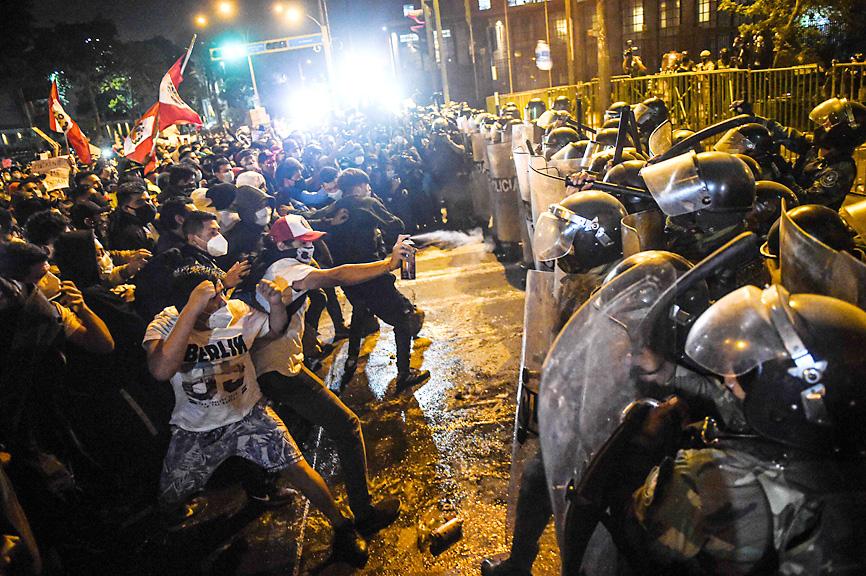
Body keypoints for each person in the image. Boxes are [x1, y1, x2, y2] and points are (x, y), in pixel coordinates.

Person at [143, 265, 369, 565]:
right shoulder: (166, 323)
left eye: (222, 293)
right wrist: (192, 309)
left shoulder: (236, 312)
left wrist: (276, 304)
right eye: (214, 297)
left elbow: (275, 329)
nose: (223, 302)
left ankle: (343, 527)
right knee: (170, 493)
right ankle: (165, 533)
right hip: (196, 430)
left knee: (298, 468)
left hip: (249, 415)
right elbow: (161, 369)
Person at [242, 214, 412, 537]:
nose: (308, 247)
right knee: (346, 426)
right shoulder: (287, 269)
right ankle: (363, 516)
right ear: (281, 245)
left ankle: (264, 483)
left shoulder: (277, 267)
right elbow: (338, 276)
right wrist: (388, 264)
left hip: (280, 365)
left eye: (310, 241)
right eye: (300, 243)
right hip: (278, 371)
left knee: (289, 434)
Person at [316, 168, 429, 390]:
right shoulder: (367, 203)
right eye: (366, 185)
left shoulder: (335, 208)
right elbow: (397, 226)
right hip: (372, 275)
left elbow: (310, 218)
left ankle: (351, 358)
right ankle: (404, 374)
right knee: (403, 317)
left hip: (348, 279)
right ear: (359, 186)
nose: (369, 189)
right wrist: (376, 204)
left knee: (360, 310)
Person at [766, 97, 866, 210]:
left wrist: (785, 175)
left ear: (843, 133)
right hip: (786, 209)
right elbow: (788, 136)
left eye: (830, 122)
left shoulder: (841, 169)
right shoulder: (816, 148)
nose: (824, 123)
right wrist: (759, 121)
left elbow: (807, 201)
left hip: (807, 223)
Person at [107, 181, 156, 251]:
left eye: (148, 200)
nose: (147, 205)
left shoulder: (141, 220)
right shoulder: (129, 234)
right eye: (139, 202)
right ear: (125, 208)